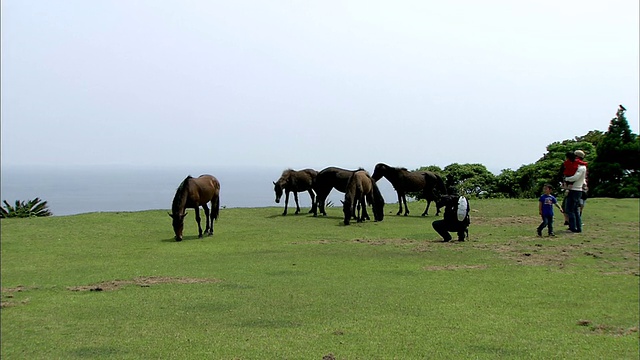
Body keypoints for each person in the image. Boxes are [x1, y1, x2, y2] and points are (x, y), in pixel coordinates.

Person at [564, 157, 587, 233]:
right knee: (574, 210)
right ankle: (577, 227)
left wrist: (567, 179)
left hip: (575, 190)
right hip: (575, 190)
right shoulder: (580, 167)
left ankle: (573, 227)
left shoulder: (581, 167)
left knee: (571, 209)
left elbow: (576, 177)